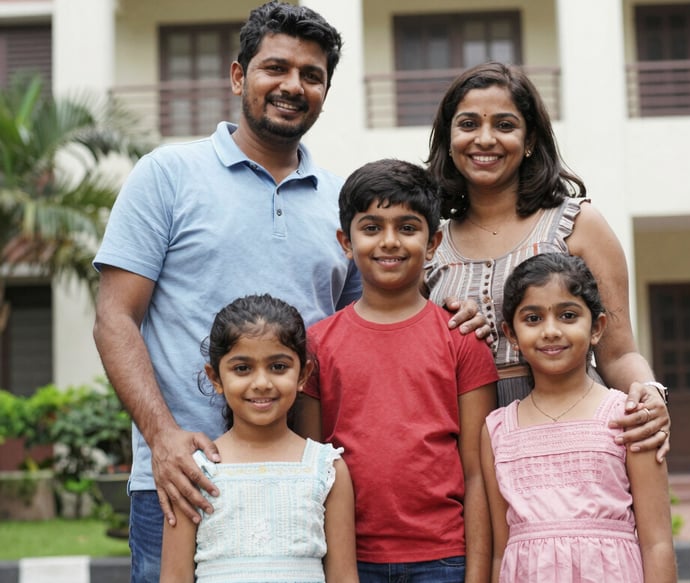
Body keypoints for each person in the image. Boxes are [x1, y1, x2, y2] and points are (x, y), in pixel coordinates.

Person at [92, 4, 482, 581]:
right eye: (275, 67)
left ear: (324, 91)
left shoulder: (343, 204)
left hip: (305, 486)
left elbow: (371, 320)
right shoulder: (166, 175)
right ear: (238, 76)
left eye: (311, 75)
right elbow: (114, 318)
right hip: (184, 478)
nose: (293, 86)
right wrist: (163, 437)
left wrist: (449, 310)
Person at [424, 61, 672, 460]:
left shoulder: (578, 226)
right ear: (449, 138)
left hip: (573, 433)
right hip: (461, 445)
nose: (484, 139)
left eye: (504, 125)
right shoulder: (428, 244)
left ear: (529, 140)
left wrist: (650, 395)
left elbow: (618, 352)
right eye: (468, 124)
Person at [295, 159, 499, 583]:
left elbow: (478, 473)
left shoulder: (462, 338)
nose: (389, 242)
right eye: (371, 228)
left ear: (433, 243)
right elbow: (310, 470)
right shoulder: (316, 345)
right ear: (346, 242)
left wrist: (478, 575)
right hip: (350, 560)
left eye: (407, 227)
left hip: (444, 559)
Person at [481, 253, 676, 582]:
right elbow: (502, 550)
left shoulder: (630, 418)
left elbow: (657, 544)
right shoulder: (498, 431)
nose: (551, 331)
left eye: (568, 315)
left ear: (596, 327)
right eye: (533, 318)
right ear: (511, 334)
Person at [159, 293, 358, 583]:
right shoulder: (193, 472)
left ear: (304, 374)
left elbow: (343, 577)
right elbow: (174, 577)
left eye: (278, 367)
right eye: (242, 368)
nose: (262, 383)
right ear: (215, 378)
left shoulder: (326, 470)